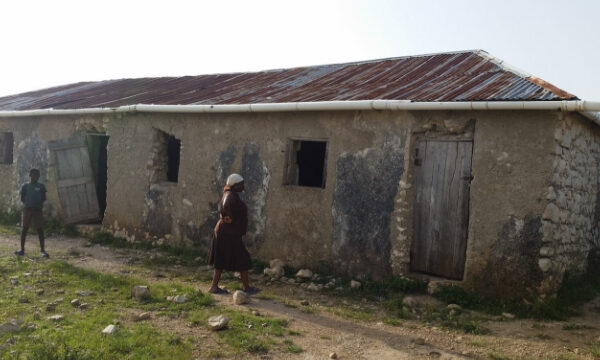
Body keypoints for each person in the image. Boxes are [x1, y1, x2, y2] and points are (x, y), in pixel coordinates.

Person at [207, 173, 259, 295]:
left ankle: (215, 287)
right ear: (235, 185)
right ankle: (246, 288)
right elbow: (225, 205)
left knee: (223, 259)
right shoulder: (230, 195)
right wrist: (226, 216)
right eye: (241, 184)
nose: (243, 186)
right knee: (242, 259)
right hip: (227, 232)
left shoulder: (231, 194)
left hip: (228, 232)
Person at [16, 168, 48, 258]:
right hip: (27, 210)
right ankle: (22, 249)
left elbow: (43, 198)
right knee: (24, 229)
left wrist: (37, 205)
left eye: (38, 175)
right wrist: (29, 205)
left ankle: (43, 250)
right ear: (30, 175)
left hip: (38, 210)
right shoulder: (25, 186)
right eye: (34, 175)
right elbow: (22, 198)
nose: (36, 177)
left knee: (40, 230)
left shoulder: (41, 186)